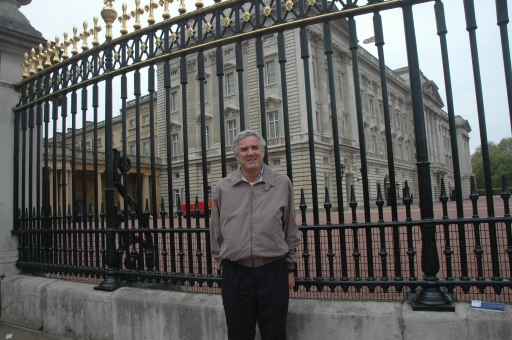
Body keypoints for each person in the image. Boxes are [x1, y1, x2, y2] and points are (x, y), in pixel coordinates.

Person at [210, 129, 300, 340]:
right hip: (236, 272)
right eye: (244, 149)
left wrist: (290, 268)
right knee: (239, 333)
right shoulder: (223, 188)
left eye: (255, 147)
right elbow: (216, 231)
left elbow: (290, 228)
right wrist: (223, 263)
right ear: (237, 156)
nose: (250, 153)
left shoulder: (282, 183)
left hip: (273, 270)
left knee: (275, 333)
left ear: (262, 152)